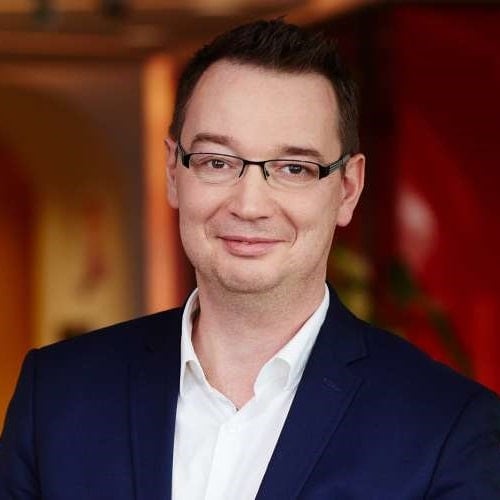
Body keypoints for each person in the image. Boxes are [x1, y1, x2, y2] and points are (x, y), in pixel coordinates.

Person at [0, 19, 499, 500]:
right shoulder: (57, 394)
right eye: (218, 162)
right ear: (173, 171)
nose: (250, 205)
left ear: (347, 189)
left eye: (294, 168)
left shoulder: (449, 428)